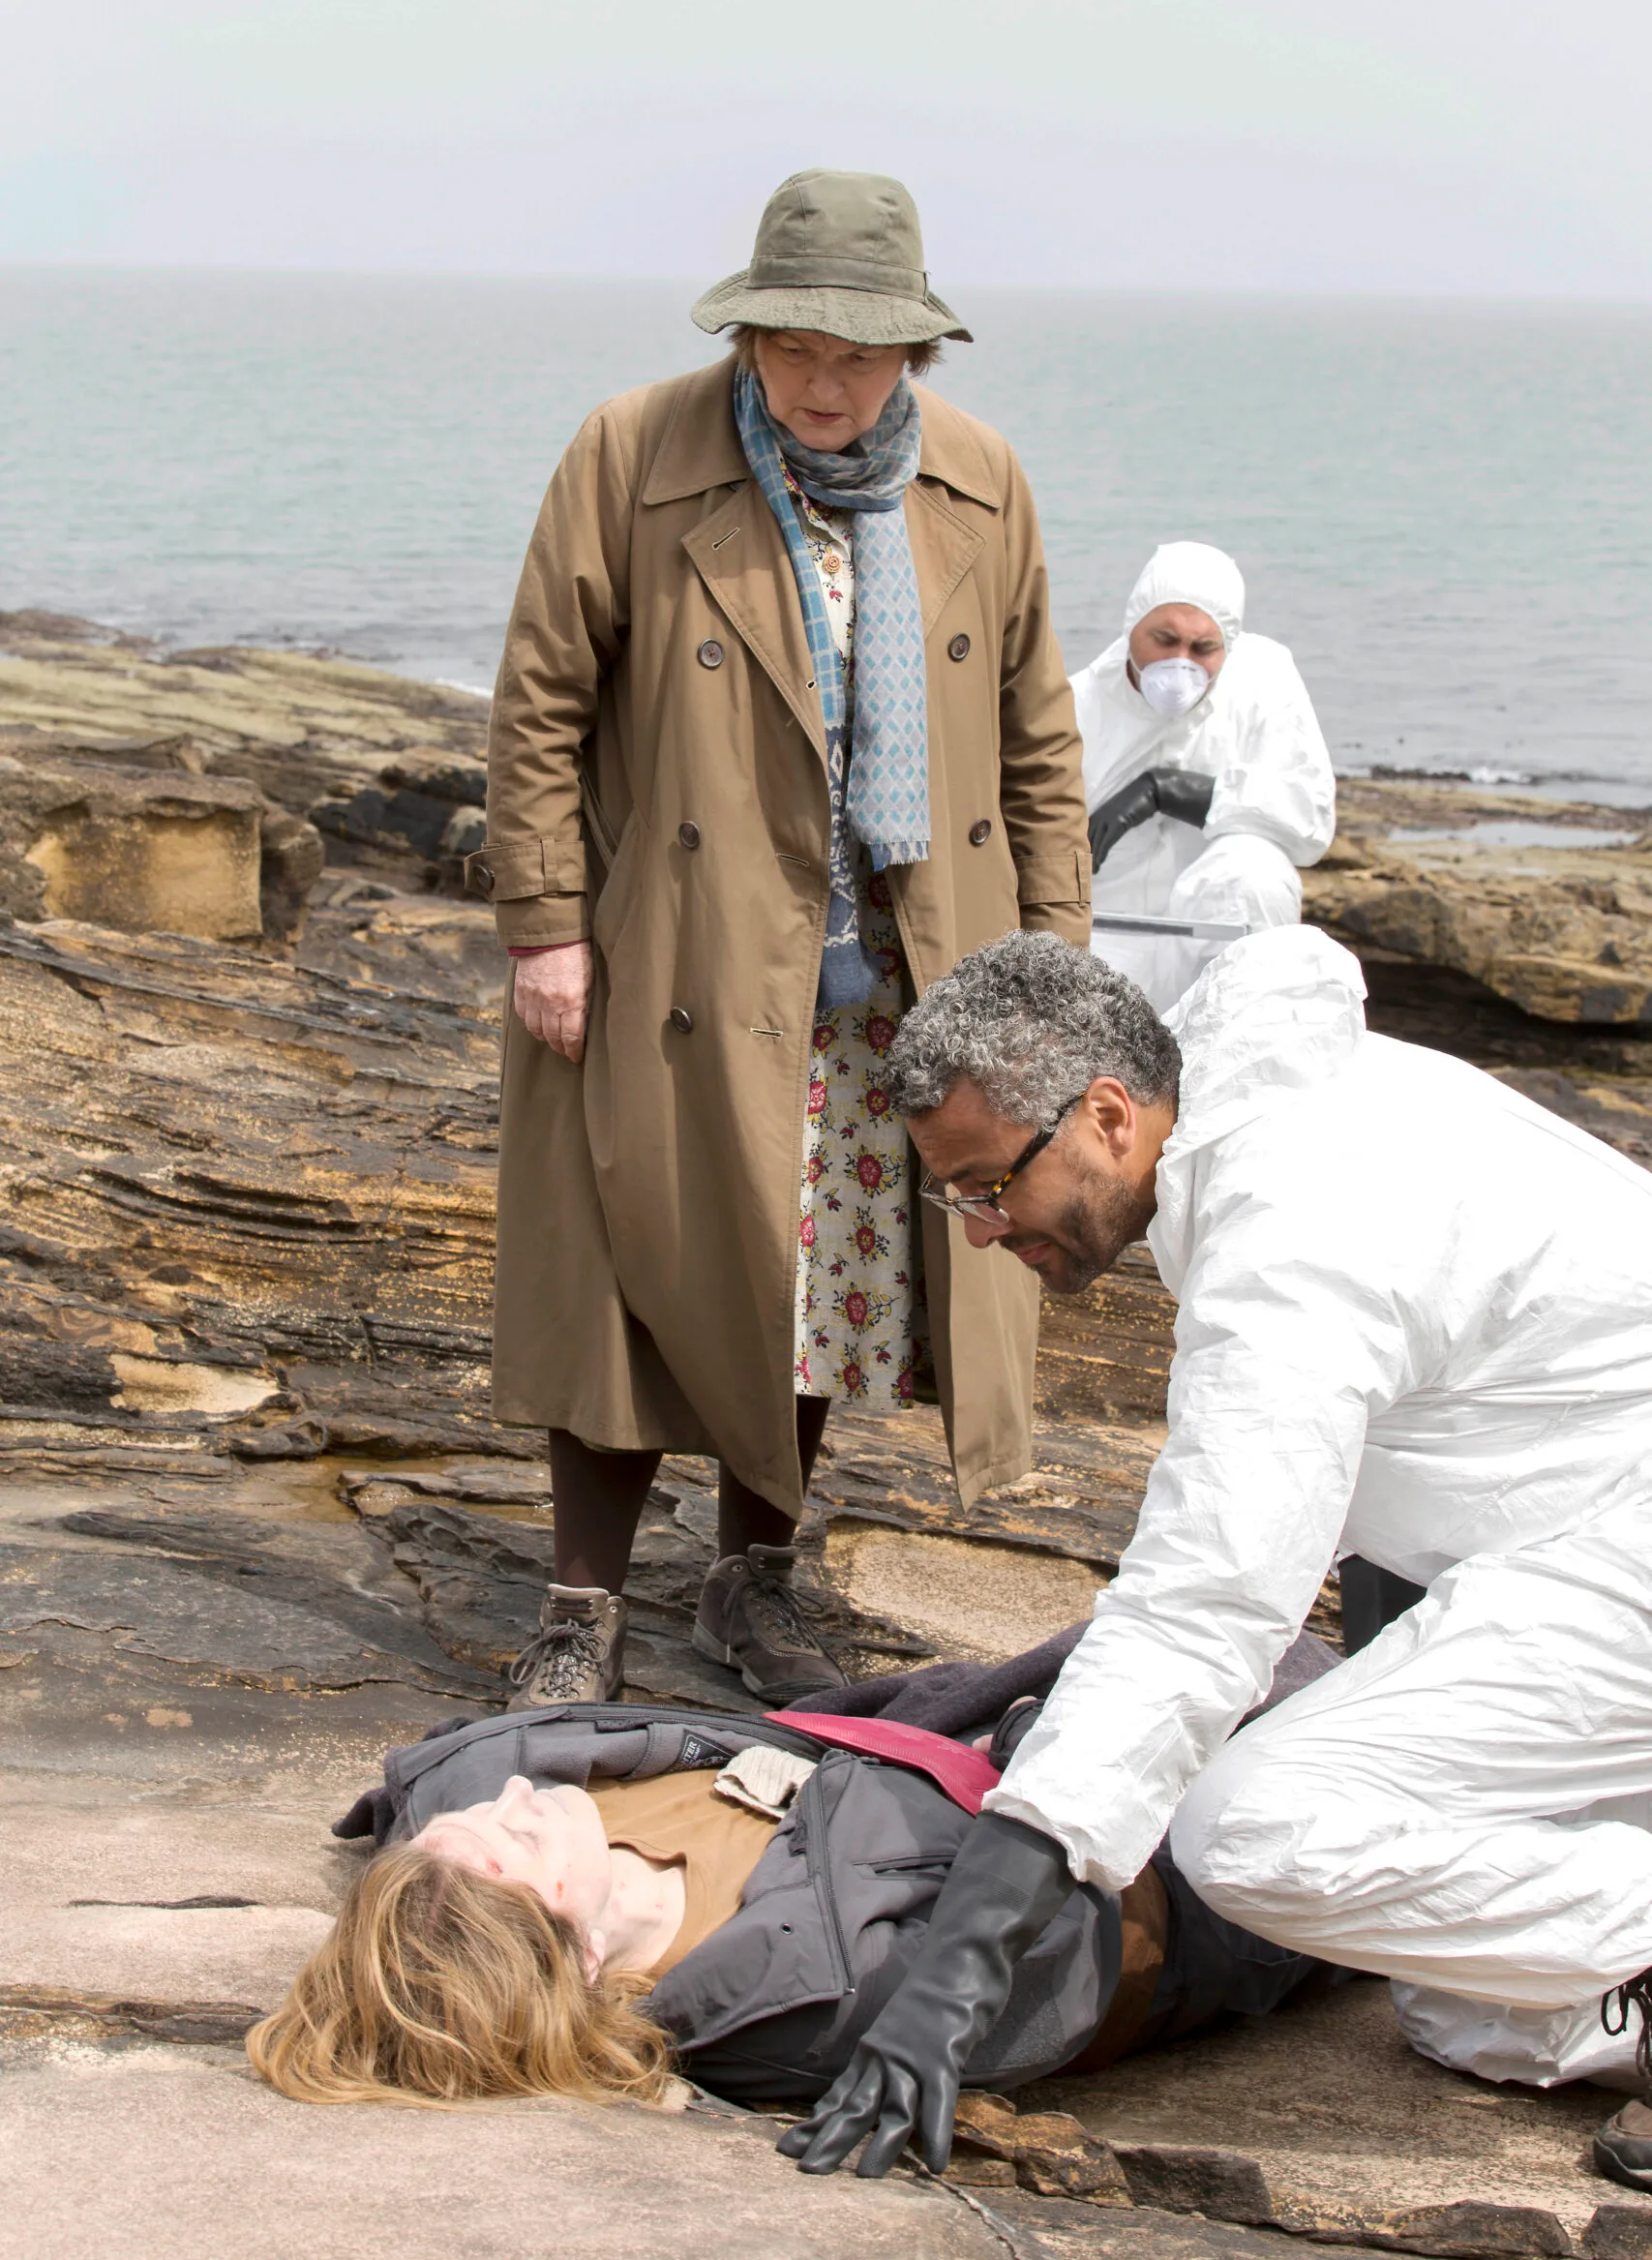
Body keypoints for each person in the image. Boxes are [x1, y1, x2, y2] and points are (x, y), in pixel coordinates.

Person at [778, 925, 1652, 2188]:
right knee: (1464, 2005)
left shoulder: (1286, 1227)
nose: (973, 1231)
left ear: (1106, 1115)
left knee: (1256, 1835)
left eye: (982, 1186)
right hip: (1589, 1546)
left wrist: (946, 1986)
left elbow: (1207, 1606)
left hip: (1621, 1556)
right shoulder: (1267, 1106)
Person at [466, 169, 1090, 1711]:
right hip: (672, 952)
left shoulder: (978, 478)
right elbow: (538, 702)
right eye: (796, 344)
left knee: (824, 1279)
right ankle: (579, 1605)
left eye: (861, 353)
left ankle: (750, 1584)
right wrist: (547, 926)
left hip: (902, 972)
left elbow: (1035, 741)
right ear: (750, 331)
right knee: (624, 1264)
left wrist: (1056, 968)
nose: (825, 381)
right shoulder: (631, 449)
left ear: (914, 356)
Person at [247, 1658, 1340, 2108]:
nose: (505, 1804)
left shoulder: (485, 1813)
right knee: (1348, 1682)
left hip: (941, 1719)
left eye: (450, 1834)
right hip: (1183, 1873)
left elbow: (439, 1772)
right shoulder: (825, 1995)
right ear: (577, 1957)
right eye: (510, 1844)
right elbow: (1071, 1953)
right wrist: (1050, 1738)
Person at [1071, 541, 1335, 1012]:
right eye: (1164, 640)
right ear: (1132, 626)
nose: (1181, 662)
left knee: (1254, 868)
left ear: (1228, 645)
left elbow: (1309, 822)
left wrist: (1175, 791)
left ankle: (1250, 1037)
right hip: (1104, 943)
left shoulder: (1263, 682)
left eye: (1204, 647)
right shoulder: (1078, 705)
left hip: (1217, 954)